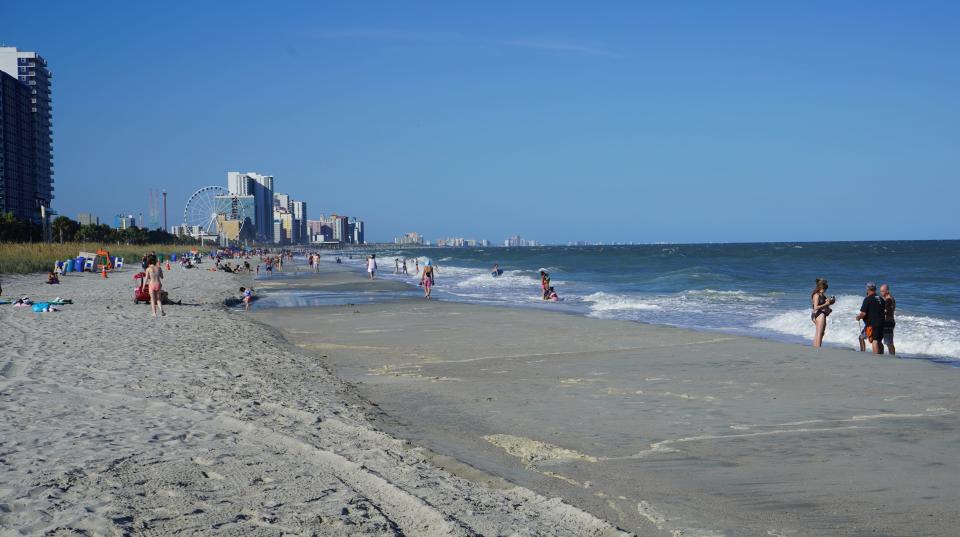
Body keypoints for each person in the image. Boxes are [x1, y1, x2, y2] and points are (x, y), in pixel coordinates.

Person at [855, 282, 885, 355]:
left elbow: (863, 313)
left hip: (872, 324)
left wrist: (858, 317)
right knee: (878, 340)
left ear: (868, 289)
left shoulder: (867, 299)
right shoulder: (881, 299)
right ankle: (881, 356)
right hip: (882, 323)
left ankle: (875, 357)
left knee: (874, 340)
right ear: (875, 289)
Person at [810, 278, 835, 347]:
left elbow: (825, 304)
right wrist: (826, 304)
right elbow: (815, 307)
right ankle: (818, 348)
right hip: (818, 314)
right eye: (825, 288)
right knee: (820, 333)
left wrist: (830, 302)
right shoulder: (817, 295)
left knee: (820, 332)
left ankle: (815, 347)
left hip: (820, 314)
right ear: (821, 287)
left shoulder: (822, 295)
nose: (825, 290)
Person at [880, 283, 896, 355]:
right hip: (891, 321)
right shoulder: (892, 298)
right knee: (889, 341)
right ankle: (892, 355)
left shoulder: (888, 300)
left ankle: (892, 356)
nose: (881, 293)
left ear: (887, 291)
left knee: (889, 342)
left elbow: (886, 311)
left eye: (882, 291)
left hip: (888, 321)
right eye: (881, 291)